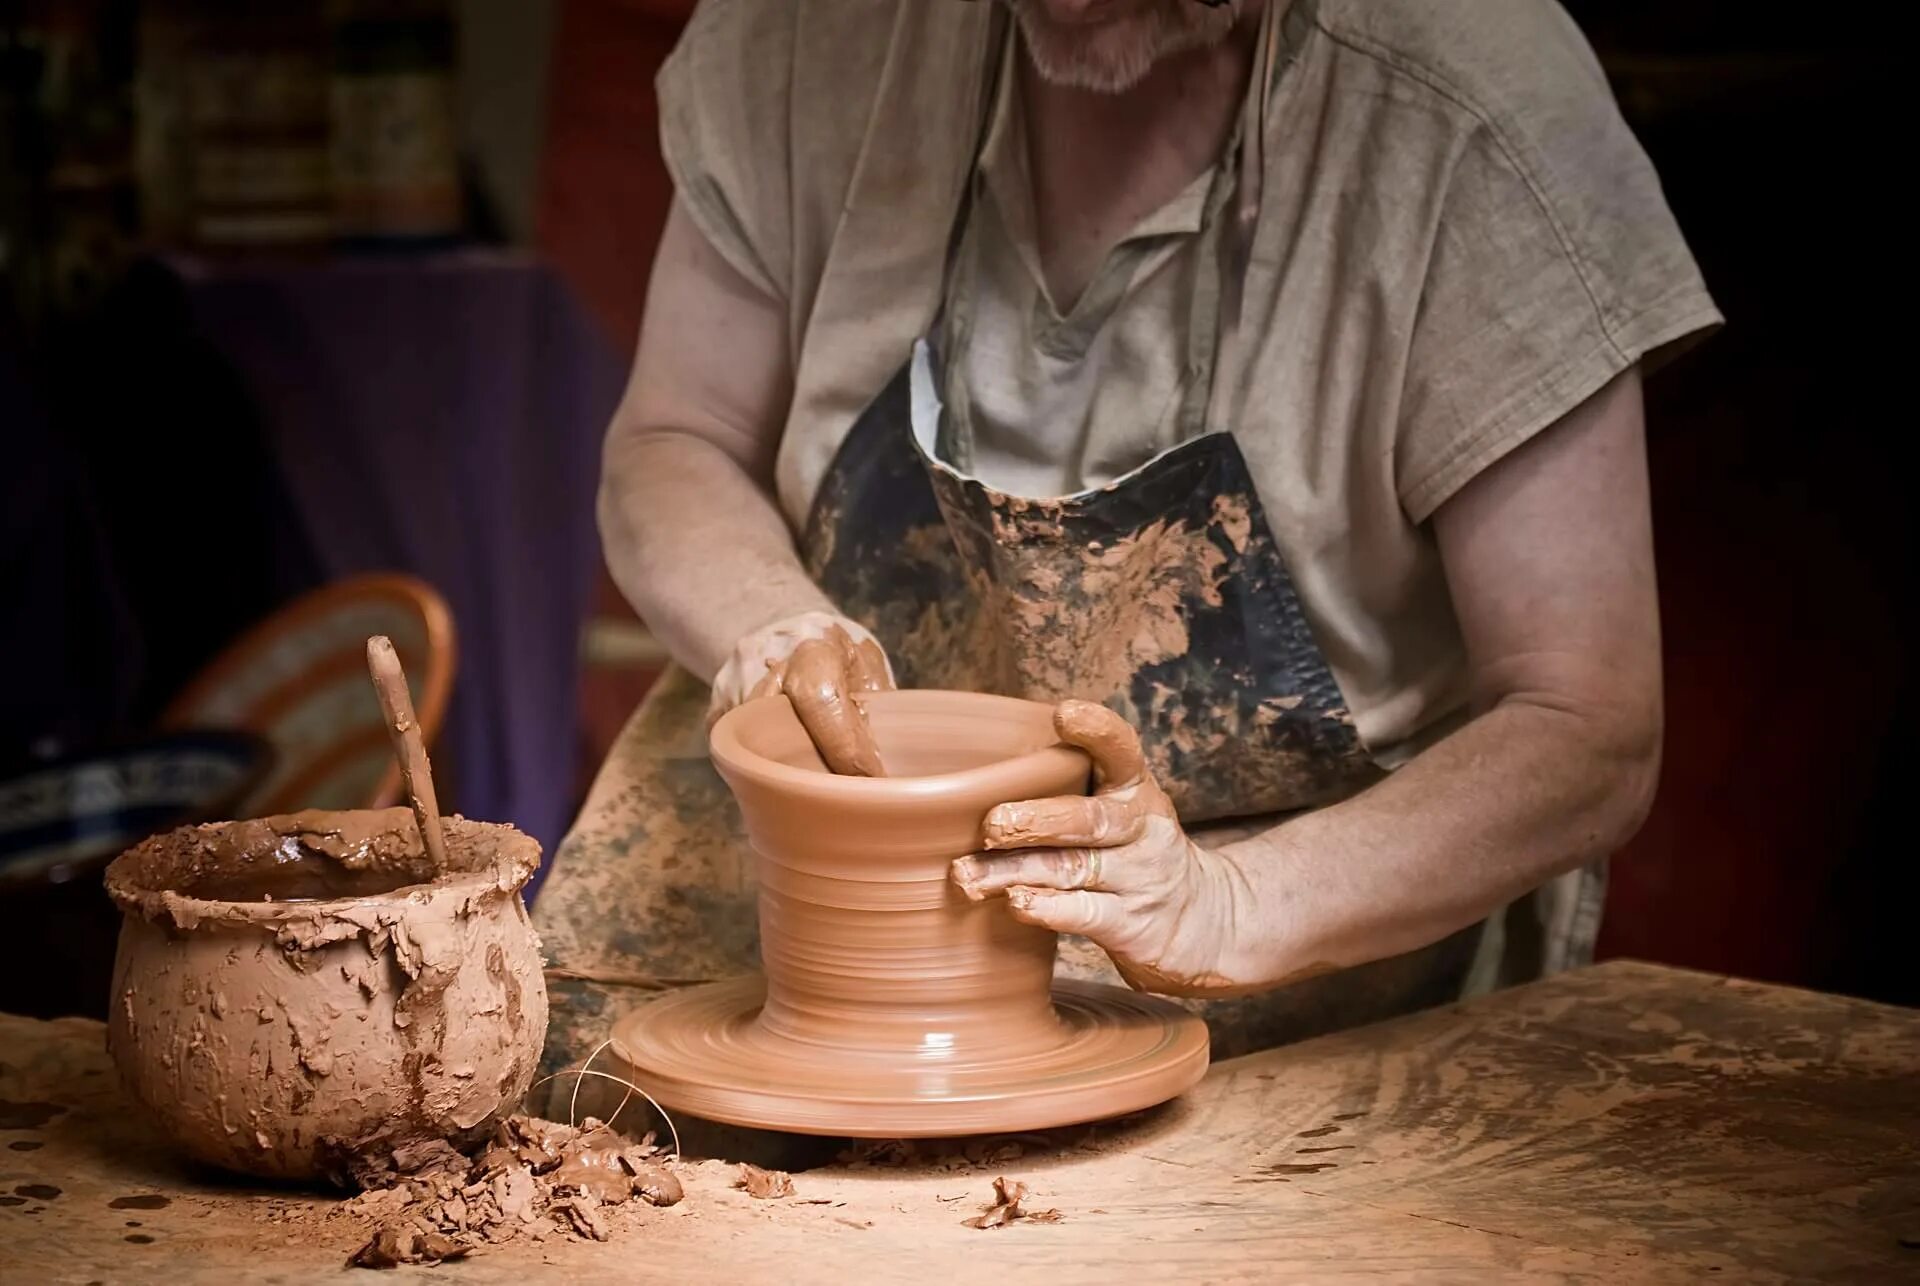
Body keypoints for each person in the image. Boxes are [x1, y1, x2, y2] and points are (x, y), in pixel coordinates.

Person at [533, 0, 1719, 1078]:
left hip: (1281, 935)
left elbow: (1587, 724)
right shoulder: (813, 35)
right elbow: (675, 438)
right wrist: (765, 623)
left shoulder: (1473, 112)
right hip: (801, 912)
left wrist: (1226, 906)